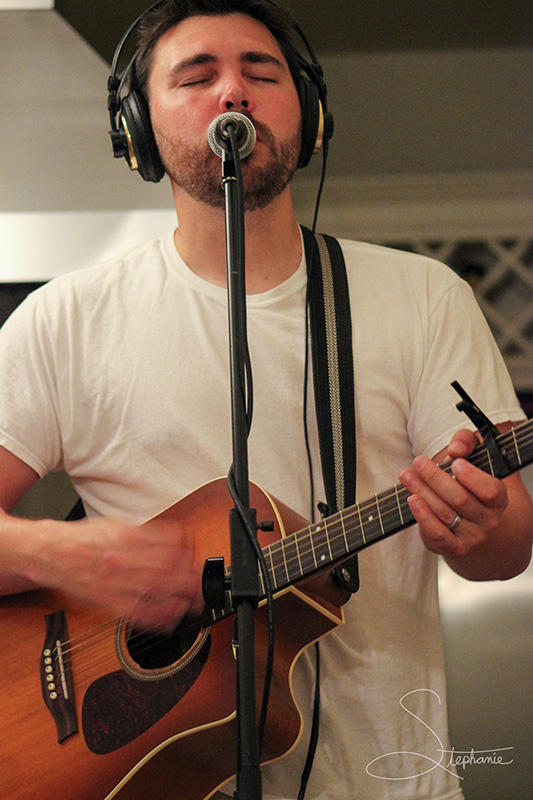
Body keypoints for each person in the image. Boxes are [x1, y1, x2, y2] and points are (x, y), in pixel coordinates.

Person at [0, 1, 531, 798]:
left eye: (261, 71)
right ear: (138, 128)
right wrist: (69, 553)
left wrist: (480, 525)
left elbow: (507, 550)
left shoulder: (420, 295)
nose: (233, 93)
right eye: (196, 75)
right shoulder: (67, 319)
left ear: (307, 114)